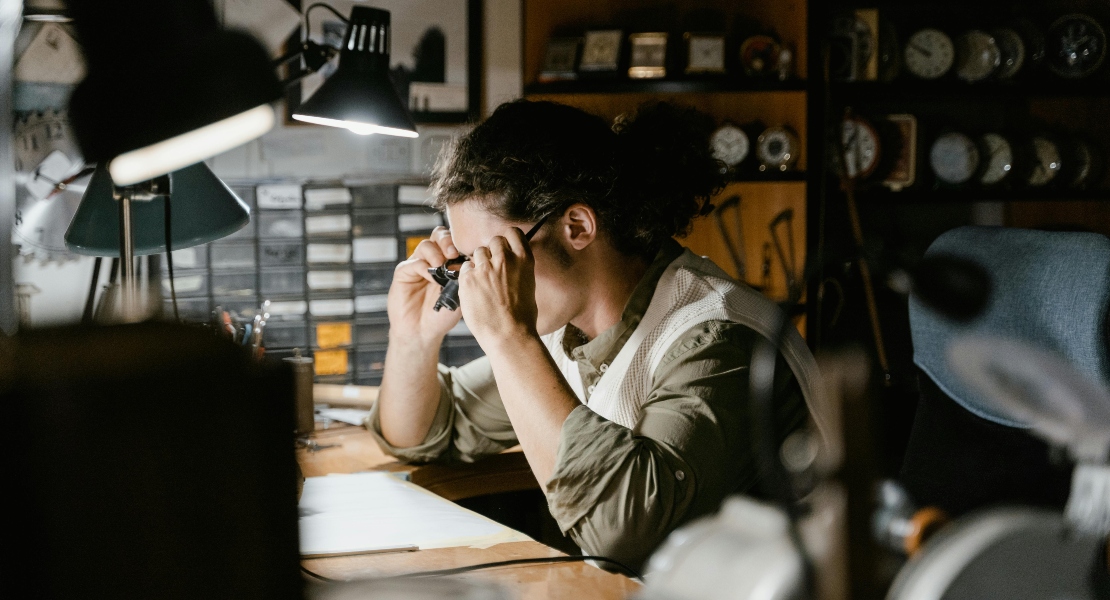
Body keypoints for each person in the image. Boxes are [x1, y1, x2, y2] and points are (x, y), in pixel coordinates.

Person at [367, 99, 824, 569]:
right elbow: (421, 432)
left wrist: (507, 339)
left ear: (577, 227)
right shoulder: (564, 334)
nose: (471, 282)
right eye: (465, 264)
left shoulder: (715, 337)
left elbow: (621, 535)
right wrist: (413, 338)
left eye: (488, 258)